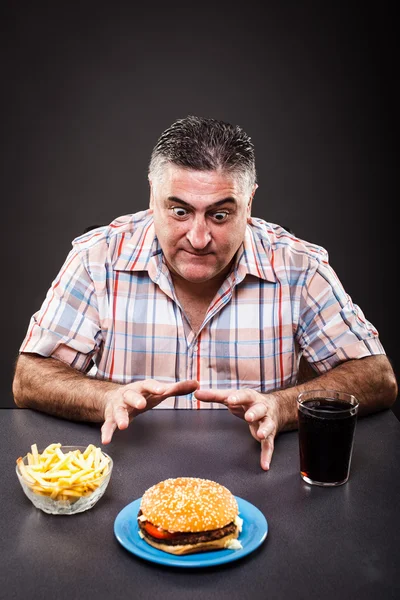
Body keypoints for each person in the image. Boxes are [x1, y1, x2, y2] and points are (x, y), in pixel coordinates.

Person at [12, 115, 397, 471]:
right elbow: (29, 378)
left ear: (249, 204)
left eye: (220, 215)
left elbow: (377, 378)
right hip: (124, 479)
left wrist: (281, 408)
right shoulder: (98, 258)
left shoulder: (299, 267)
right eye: (180, 211)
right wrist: (105, 398)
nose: (198, 239)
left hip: (261, 482)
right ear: (152, 196)